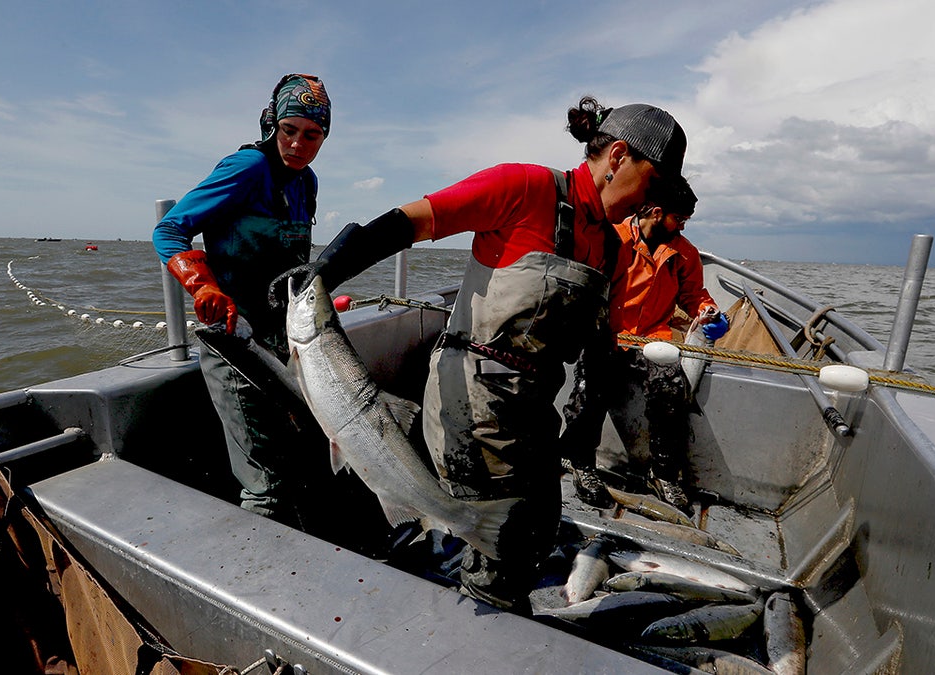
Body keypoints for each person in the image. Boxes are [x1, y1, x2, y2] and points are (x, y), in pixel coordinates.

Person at [273, 96, 687, 612]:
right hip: (473, 406)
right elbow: (410, 222)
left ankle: (490, 604)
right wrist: (325, 270)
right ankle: (475, 630)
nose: (649, 204)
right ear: (619, 157)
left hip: (534, 406)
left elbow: (595, 342)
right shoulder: (524, 187)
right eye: (652, 186)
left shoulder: (607, 242)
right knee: (505, 551)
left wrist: (583, 428)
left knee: (540, 526)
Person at [152, 73, 331, 528]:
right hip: (235, 343)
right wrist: (202, 285)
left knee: (302, 453)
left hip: (283, 339)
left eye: (312, 135)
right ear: (273, 124)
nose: (298, 144)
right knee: (264, 484)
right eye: (289, 130)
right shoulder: (247, 169)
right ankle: (263, 579)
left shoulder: (306, 182)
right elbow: (169, 229)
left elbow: (292, 260)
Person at [560, 175, 729, 513]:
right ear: (655, 211)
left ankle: (663, 474)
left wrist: (706, 310)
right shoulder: (613, 238)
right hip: (608, 333)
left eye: (684, 221)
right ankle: (579, 461)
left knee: (671, 390)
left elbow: (694, 295)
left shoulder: (685, 253)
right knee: (590, 388)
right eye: (677, 218)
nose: (681, 226)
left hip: (655, 339)